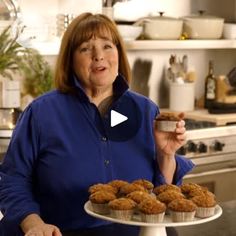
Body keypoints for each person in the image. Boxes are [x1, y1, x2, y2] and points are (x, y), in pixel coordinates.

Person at [0, 12, 194, 236]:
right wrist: (33, 224)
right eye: (85, 48)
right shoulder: (41, 113)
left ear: (119, 53)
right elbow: (12, 180)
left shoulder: (146, 110)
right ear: (70, 60)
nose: (98, 56)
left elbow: (161, 192)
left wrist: (166, 156)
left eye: (107, 46)